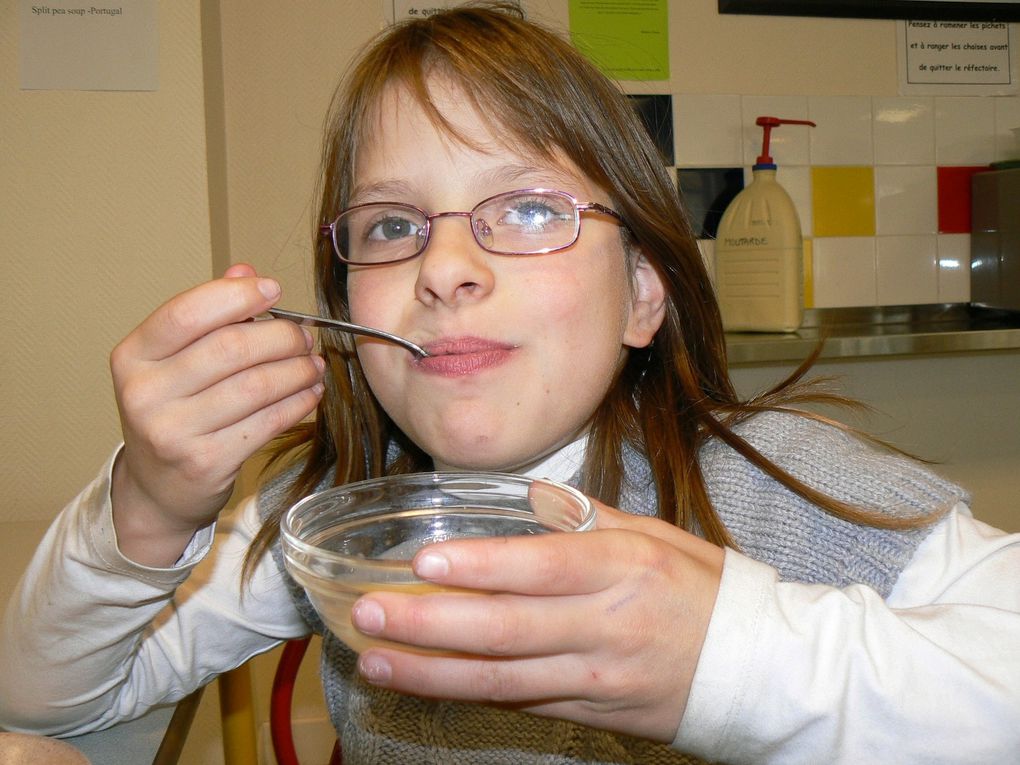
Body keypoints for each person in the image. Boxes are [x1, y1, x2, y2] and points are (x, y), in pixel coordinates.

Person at [1, 3, 1018, 763]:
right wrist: (141, 509)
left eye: (529, 210)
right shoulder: (329, 515)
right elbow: (49, 707)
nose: (443, 268)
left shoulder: (777, 491)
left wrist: (727, 652)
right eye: (394, 226)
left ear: (642, 297)